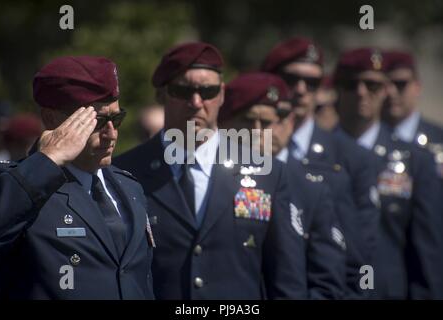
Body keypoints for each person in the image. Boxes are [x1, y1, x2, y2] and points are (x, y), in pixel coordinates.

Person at [114, 42, 307, 299]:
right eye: (183, 90)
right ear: (161, 95)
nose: (196, 102)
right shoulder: (125, 172)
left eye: (208, 90)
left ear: (222, 94)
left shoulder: (266, 172)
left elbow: (286, 282)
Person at [0, 56, 154, 300]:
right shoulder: (21, 185)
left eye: (116, 119)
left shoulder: (129, 186)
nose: (111, 134)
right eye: (97, 121)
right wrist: (48, 160)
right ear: (51, 119)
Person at [261, 37, 380, 297]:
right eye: (291, 79)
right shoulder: (245, 152)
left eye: (312, 82)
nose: (301, 90)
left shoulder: (349, 158)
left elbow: (358, 261)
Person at [219, 72, 346, 299]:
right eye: (247, 120)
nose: (257, 132)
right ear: (223, 123)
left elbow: (329, 281)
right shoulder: (208, 181)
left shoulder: (311, 188)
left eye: (268, 122)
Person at [334, 47, 443, 299]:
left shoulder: (416, 160)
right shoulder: (312, 157)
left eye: (372, 85)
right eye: (352, 84)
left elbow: (427, 254)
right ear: (336, 89)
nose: (362, 93)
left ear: (384, 90)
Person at [381, 50, 443, 177]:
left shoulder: (439, 139)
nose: (391, 92)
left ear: (417, 87)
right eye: (383, 85)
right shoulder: (370, 139)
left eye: (400, 84)